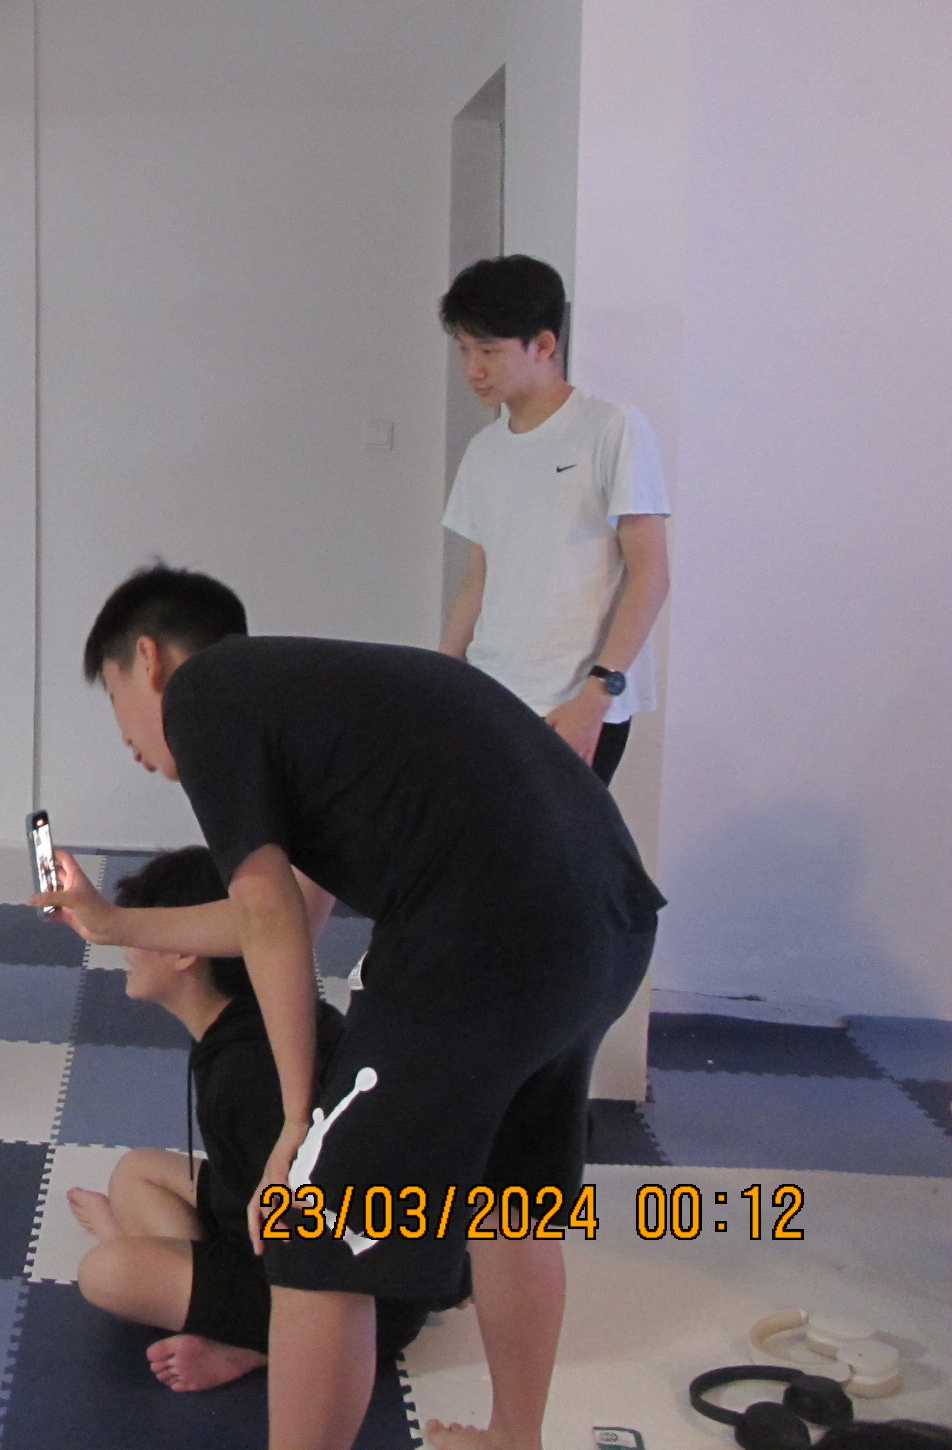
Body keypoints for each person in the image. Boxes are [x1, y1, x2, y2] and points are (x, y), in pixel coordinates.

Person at [43, 565, 661, 1450]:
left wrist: (299, 1122)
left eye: (113, 698)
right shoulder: (314, 706)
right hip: (606, 924)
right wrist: (110, 923)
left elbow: (269, 916)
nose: (129, 740)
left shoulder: (205, 695)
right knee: (510, 1200)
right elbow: (283, 914)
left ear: (148, 661)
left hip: (483, 938)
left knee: (314, 1229)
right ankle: (512, 1439)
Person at [67, 848, 437, 1394]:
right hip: (329, 1232)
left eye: (138, 930)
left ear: (185, 952)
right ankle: (188, 1287)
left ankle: (248, 1347)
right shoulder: (258, 1021)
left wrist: (137, 1254)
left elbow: (308, 1235)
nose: (125, 947)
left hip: (358, 1301)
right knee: (136, 1171)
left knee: (105, 1273)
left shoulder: (246, 1073)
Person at [439, 255, 671, 783]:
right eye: (464, 349)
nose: (473, 369)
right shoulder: (484, 451)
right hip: (491, 692)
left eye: (489, 351)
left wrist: (598, 693)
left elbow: (650, 574)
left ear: (543, 345)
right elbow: (477, 582)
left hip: (573, 702)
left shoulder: (612, 428)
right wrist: (440, 681)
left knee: (558, 838)